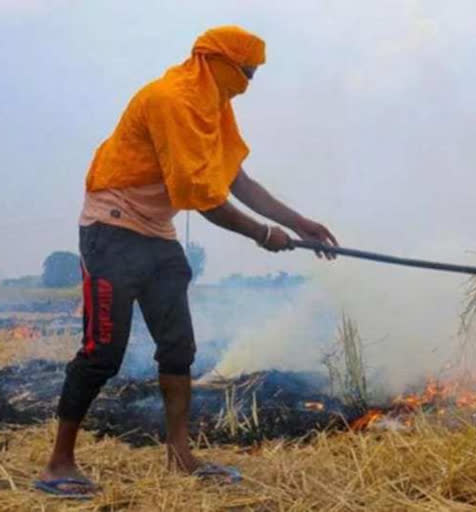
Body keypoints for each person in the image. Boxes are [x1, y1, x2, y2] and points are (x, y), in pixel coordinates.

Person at [36, 26, 337, 497]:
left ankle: (180, 457)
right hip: (111, 228)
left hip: (156, 232)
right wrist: (262, 234)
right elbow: (201, 196)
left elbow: (234, 178)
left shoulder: (214, 107)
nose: (249, 83)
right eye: (246, 72)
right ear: (216, 62)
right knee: (102, 354)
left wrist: (300, 223)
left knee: (178, 350)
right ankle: (58, 463)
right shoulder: (171, 99)